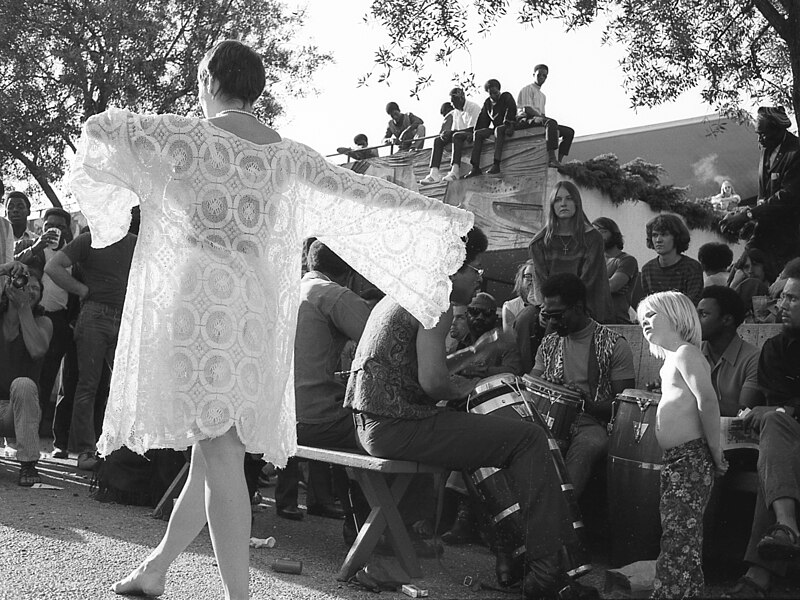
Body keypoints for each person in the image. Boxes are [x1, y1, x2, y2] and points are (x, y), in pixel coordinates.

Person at [66, 40, 472, 600]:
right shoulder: (291, 157)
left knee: (220, 450)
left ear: (207, 79)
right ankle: (156, 570)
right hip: (255, 321)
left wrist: (108, 215)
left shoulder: (186, 136)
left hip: (198, 313)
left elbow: (101, 128)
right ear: (255, 89)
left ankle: (237, 596)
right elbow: (365, 197)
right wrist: (438, 220)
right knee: (216, 451)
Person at [344, 228, 596, 599]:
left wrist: (480, 349)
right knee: (528, 438)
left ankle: (511, 557)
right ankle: (547, 570)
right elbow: (432, 383)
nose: (479, 277)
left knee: (486, 445)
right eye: (474, 269)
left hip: (374, 425)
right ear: (451, 270)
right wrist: (470, 391)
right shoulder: (437, 301)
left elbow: (422, 368)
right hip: (397, 427)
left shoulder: (405, 293)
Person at [275, 240, 371, 536]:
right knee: (387, 431)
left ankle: (362, 524)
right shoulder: (335, 295)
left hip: (274, 415)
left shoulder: (288, 291)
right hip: (311, 420)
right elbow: (382, 343)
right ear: (352, 271)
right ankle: (372, 531)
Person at [636, 291, 727, 599]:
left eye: (652, 315)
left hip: (691, 457)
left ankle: (670, 594)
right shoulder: (669, 362)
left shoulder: (688, 353)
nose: (645, 322)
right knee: (678, 533)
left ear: (676, 316)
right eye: (642, 318)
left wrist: (714, 449)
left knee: (679, 535)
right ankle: (684, 592)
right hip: (677, 459)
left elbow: (708, 400)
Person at [724, 262, 800, 598]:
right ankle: (784, 529)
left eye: (794, 300)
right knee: (776, 444)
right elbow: (775, 405)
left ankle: (760, 573)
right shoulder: (776, 349)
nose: (782, 305)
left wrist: (785, 410)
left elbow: (779, 408)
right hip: (786, 440)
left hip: (785, 435)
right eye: (782, 297)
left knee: (776, 435)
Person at [532, 273, 635, 498]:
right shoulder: (549, 342)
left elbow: (624, 406)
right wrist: (545, 388)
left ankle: (561, 516)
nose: (552, 322)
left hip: (590, 422)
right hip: (547, 417)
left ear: (578, 307)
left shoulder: (614, 344)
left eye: (557, 315)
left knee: (588, 445)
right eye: (548, 315)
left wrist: (588, 405)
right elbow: (533, 384)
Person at [45, 228, 137, 471]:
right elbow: (52, 267)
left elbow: (53, 267)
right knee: (92, 385)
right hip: (100, 315)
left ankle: (116, 450)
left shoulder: (132, 242)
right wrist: (82, 290)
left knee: (119, 386)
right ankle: (88, 451)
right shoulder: (89, 239)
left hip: (119, 316)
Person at [15, 208, 74, 439]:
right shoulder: (32, 247)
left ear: (67, 229)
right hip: (32, 317)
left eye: (60, 226)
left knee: (50, 378)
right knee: (26, 376)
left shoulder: (72, 254)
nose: (54, 230)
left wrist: (71, 321)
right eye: (50, 225)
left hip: (59, 323)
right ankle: (18, 429)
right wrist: (38, 246)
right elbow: (13, 265)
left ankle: (36, 433)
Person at [720, 106, 800, 271]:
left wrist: (748, 214)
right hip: (764, 234)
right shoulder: (766, 149)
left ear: (778, 130)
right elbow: (764, 197)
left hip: (791, 241)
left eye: (763, 134)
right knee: (736, 276)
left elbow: (787, 197)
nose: (759, 139)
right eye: (758, 134)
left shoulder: (796, 152)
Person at [529, 181, 613, 323]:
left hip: (585, 303)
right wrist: (547, 306)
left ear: (577, 203)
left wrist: (563, 306)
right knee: (524, 322)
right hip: (550, 304)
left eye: (569, 198)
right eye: (558, 199)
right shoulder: (539, 242)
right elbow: (541, 281)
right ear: (552, 205)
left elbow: (589, 279)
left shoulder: (593, 238)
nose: (563, 204)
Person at [0, 263, 52, 486]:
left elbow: (37, 350)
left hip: (19, 411)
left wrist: (23, 309)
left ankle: (28, 463)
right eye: (24, 284)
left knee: (23, 383)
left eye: (35, 289)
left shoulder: (43, 322)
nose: (29, 291)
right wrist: (4, 268)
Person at [697, 286, 762, 417]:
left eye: (703, 315)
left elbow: (743, 414)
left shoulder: (753, 358)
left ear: (727, 320)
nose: (695, 321)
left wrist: (692, 397)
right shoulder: (693, 351)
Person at [515, 64, 575, 168]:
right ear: (534, 75)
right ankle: (552, 158)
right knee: (551, 122)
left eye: (544, 75)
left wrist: (544, 118)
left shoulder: (542, 96)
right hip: (526, 119)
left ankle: (559, 161)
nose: (541, 77)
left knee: (569, 132)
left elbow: (542, 114)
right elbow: (527, 109)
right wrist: (544, 118)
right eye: (539, 75)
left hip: (538, 119)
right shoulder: (527, 89)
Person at [452, 292, 522, 377]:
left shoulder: (507, 343)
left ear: (495, 318)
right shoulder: (458, 345)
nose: (480, 317)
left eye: (487, 313)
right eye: (475, 311)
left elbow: (513, 373)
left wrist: (480, 370)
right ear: (467, 315)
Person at [420, 88, 481, 184]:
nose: (452, 104)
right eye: (451, 102)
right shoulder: (456, 112)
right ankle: (434, 173)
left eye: (454, 101)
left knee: (456, 136)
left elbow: (473, 128)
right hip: (459, 134)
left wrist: (452, 133)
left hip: (472, 133)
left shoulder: (473, 107)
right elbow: (455, 129)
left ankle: (455, 171)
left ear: (461, 98)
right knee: (438, 140)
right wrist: (446, 134)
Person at [640, 213, 704, 305]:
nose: (658, 240)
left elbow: (692, 304)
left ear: (676, 237)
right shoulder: (648, 269)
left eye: (664, 234)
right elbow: (647, 304)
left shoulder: (692, 267)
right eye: (654, 235)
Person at [464, 79, 517, 178]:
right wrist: (474, 133)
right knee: (478, 134)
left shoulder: (506, 96)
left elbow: (511, 111)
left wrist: (509, 124)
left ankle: (496, 164)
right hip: (496, 128)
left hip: (508, 125)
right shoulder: (488, 103)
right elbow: (482, 121)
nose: (494, 95)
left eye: (495, 92)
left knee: (499, 130)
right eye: (491, 93)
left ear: (498, 90)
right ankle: (475, 167)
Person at [592, 217, 639, 323]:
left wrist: (590, 285)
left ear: (614, 234)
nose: (598, 236)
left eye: (603, 232)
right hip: (593, 321)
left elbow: (612, 286)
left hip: (617, 321)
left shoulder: (627, 260)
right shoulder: (591, 260)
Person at [729, 248, 778, 322]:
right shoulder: (744, 289)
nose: (750, 270)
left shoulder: (776, 288)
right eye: (746, 267)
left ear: (764, 266)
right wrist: (735, 283)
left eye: (755, 265)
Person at [501, 260, 535, 333]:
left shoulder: (547, 304)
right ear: (521, 279)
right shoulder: (511, 306)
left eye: (536, 277)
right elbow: (511, 339)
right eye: (528, 276)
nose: (532, 280)